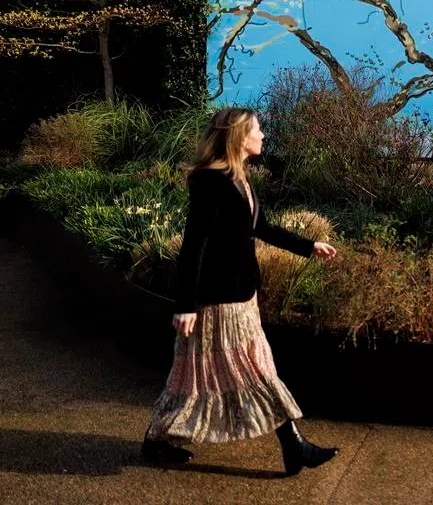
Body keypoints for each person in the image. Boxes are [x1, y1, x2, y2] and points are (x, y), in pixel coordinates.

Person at [140, 107, 339, 476]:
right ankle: (294, 447)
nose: (263, 135)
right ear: (238, 136)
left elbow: (260, 227)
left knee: (209, 374)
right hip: (219, 300)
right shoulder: (210, 182)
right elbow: (193, 246)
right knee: (234, 374)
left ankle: (158, 439)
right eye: (258, 130)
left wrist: (308, 246)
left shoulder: (238, 177)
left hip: (242, 296)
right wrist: (185, 305)